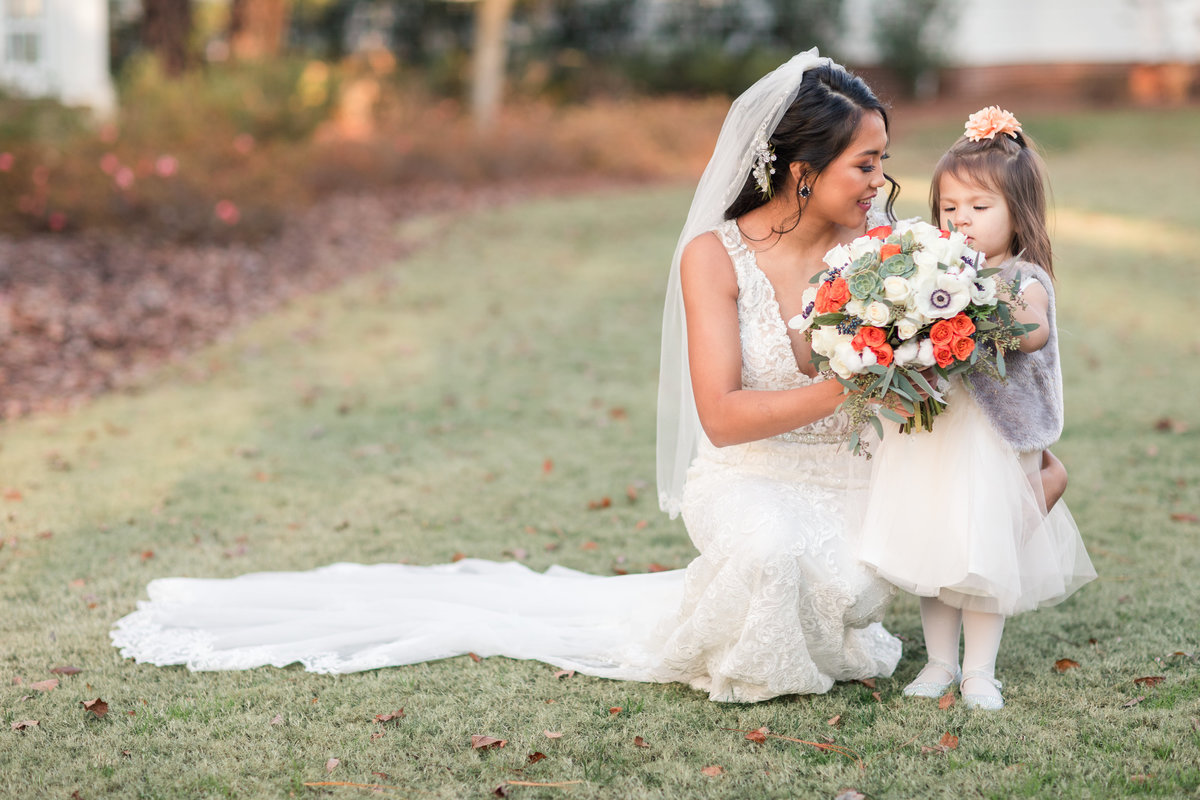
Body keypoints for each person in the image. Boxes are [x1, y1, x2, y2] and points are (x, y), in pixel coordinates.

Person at [111, 50, 902, 703]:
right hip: (749, 477)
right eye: (863, 164)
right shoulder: (714, 257)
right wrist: (847, 387)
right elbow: (723, 417)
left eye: (882, 164)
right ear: (802, 170)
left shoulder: (886, 257)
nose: (878, 183)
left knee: (857, 582)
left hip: (848, 480)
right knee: (767, 560)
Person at [856, 107, 1097, 710]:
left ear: (1019, 214)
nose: (961, 219)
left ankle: (980, 672)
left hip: (992, 440)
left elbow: (1033, 331)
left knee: (985, 554)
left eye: (979, 207)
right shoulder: (926, 270)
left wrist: (976, 301)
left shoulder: (1022, 278)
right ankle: (939, 662)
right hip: (934, 437)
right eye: (949, 208)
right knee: (934, 548)